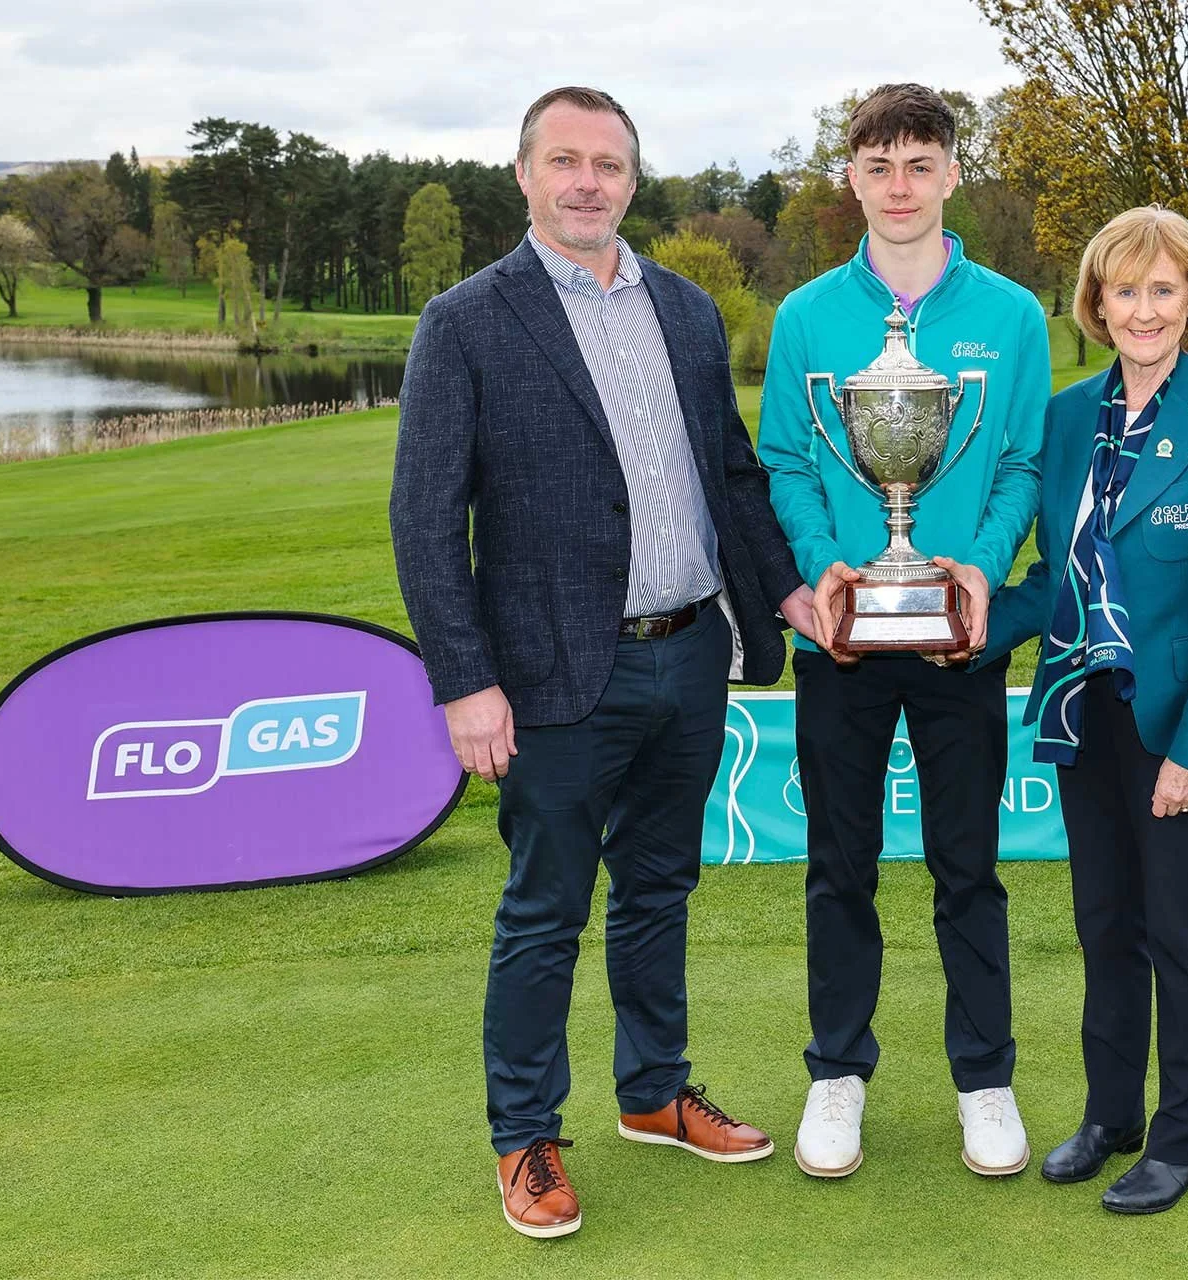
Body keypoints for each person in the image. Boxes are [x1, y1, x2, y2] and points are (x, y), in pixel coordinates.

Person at [389, 84, 823, 1240]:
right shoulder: (467, 320)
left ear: (635, 179)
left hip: (689, 654)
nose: (590, 181)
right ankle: (524, 1135)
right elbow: (426, 520)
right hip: (547, 676)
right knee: (543, 911)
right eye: (566, 161)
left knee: (659, 891)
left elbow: (732, 475)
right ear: (524, 175)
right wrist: (464, 680)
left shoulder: (683, 310)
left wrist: (783, 588)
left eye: (610, 164)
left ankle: (652, 1092)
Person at [756, 83, 1051, 1180]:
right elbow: (786, 457)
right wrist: (823, 569)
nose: (899, 186)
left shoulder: (1013, 316)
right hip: (839, 636)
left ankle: (985, 1076)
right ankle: (838, 1070)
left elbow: (1020, 461)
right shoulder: (805, 320)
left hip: (957, 637)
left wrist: (976, 566)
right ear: (852, 178)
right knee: (839, 865)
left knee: (968, 865)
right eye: (878, 165)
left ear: (952, 173)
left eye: (919, 163)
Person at [980, 206, 1188, 1214]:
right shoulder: (1070, 418)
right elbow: (1053, 578)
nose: (1143, 308)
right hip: (1084, 711)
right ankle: (1111, 1113)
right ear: (1096, 304)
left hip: (1181, 720)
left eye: (1164, 289)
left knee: (1178, 932)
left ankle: (1183, 1138)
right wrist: (953, 619)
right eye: (1124, 290)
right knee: (1104, 922)